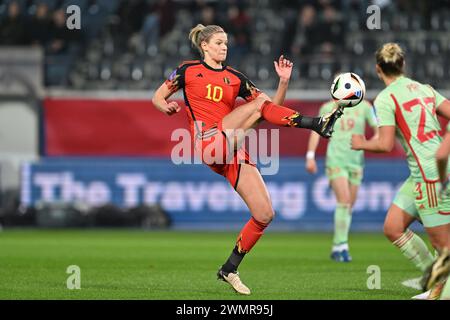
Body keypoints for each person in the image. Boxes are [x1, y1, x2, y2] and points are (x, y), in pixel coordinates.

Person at [152, 24, 343, 295]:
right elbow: (157, 96)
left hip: (231, 147)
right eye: (218, 42)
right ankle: (316, 123)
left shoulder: (236, 78)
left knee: (265, 214)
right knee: (255, 105)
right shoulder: (187, 70)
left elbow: (269, 109)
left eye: (226, 42)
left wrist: (284, 82)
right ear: (204, 46)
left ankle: (229, 268)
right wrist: (166, 107)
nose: (224, 46)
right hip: (208, 142)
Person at [351, 42, 450, 299]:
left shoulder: (385, 98)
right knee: (393, 226)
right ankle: (434, 281)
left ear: (377, 69)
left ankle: (442, 292)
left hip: (431, 176)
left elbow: (384, 144)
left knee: (444, 246)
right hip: (423, 173)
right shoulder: (424, 88)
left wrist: (361, 143)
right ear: (403, 65)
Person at [306, 97, 378, 262]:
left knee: (349, 206)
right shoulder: (327, 107)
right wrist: (310, 156)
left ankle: (337, 246)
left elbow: (378, 131)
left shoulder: (366, 106)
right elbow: (316, 132)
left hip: (357, 162)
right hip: (336, 159)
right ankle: (342, 246)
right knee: (344, 201)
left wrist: (370, 144)